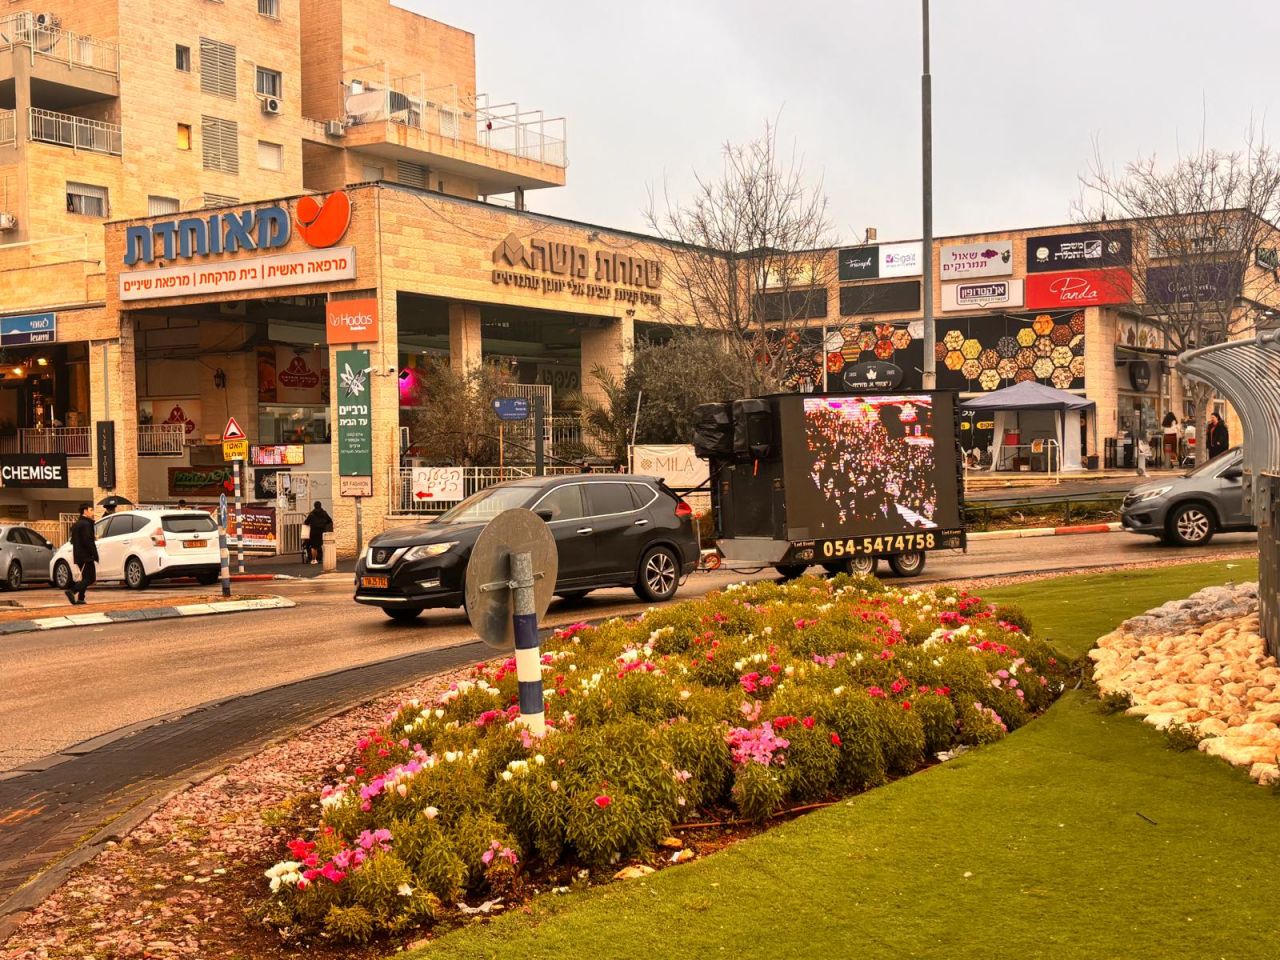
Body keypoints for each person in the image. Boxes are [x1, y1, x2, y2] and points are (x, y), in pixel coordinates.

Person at [66, 502, 98, 606]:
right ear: (85, 511)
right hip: (86, 556)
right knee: (90, 578)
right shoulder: (86, 524)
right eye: (91, 510)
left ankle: (80, 598)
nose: (93, 512)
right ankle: (72, 591)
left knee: (85, 578)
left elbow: (72, 541)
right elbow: (88, 540)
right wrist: (94, 554)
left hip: (79, 555)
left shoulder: (77, 524)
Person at [303, 500, 332, 565]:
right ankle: (322, 559)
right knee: (322, 545)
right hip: (322, 531)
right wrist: (324, 523)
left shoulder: (311, 514)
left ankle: (314, 560)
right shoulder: (324, 513)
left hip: (314, 532)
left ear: (314, 506)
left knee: (314, 546)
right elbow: (330, 520)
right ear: (320, 505)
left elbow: (306, 522)